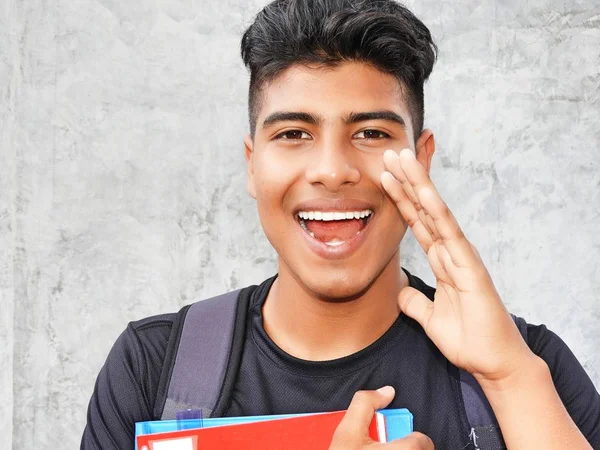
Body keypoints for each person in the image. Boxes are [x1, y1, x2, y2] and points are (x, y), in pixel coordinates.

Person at [80, 0, 600, 448]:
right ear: (252, 163)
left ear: (422, 158)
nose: (332, 170)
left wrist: (508, 378)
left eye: (371, 132)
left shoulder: (529, 365)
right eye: (293, 134)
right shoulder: (151, 369)